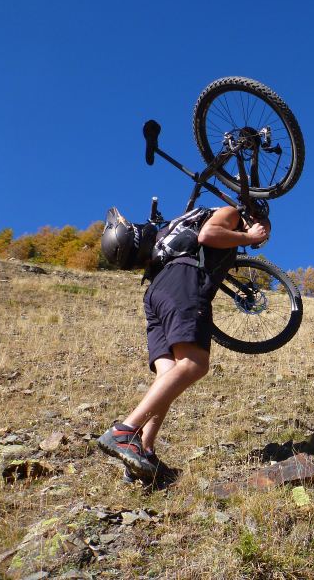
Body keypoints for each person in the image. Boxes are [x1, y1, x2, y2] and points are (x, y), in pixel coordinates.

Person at [97, 206, 270, 482]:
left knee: (169, 374)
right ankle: (124, 432)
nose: (262, 235)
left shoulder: (178, 225)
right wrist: (248, 238)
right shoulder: (230, 212)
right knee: (194, 364)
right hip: (183, 280)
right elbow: (208, 235)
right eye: (262, 229)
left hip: (156, 291)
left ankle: (144, 450)